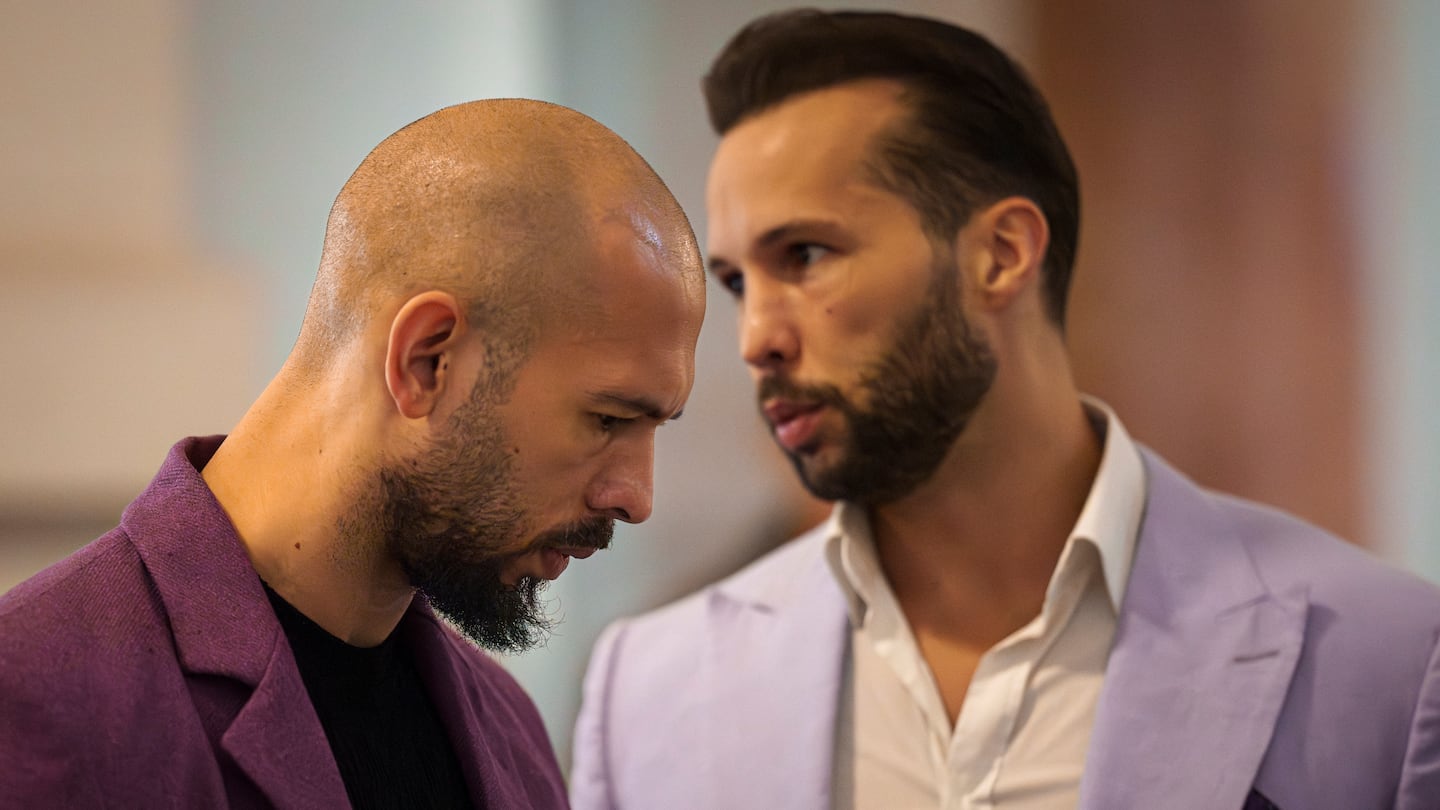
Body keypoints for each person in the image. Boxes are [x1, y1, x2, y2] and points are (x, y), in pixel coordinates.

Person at [569, 10, 1440, 810]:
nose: (755, 336)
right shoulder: (652, 691)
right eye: (736, 283)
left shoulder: (1385, 662)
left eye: (805, 253)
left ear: (1001, 254)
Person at [0, 99, 705, 809]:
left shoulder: (509, 734)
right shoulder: (38, 696)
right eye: (608, 418)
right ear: (427, 361)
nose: (636, 497)